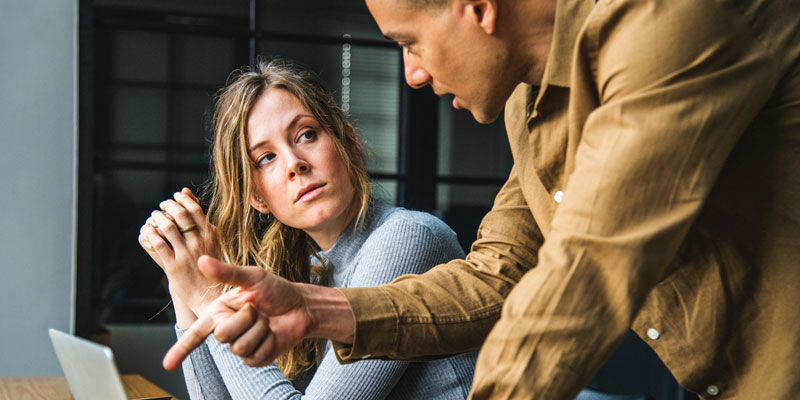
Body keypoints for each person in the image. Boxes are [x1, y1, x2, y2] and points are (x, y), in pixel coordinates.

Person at [165, 0, 800, 399]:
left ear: (477, 8)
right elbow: (496, 275)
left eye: (409, 41)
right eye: (265, 158)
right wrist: (313, 307)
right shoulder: (532, 102)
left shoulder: (669, 23)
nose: (412, 73)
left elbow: (588, 272)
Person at [139, 59, 477, 399]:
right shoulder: (311, 272)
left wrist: (209, 297)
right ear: (257, 197)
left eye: (306, 135)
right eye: (266, 158)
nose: (294, 163)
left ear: (349, 141)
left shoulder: (407, 237)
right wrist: (182, 279)